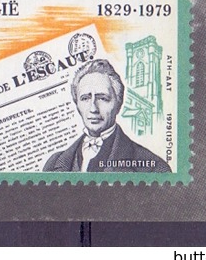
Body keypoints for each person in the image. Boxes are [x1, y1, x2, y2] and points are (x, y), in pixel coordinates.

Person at [43, 58, 171, 173]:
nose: (93, 108)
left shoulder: (154, 168)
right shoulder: (53, 164)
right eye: (85, 98)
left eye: (103, 98)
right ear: (77, 104)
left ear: (118, 104)